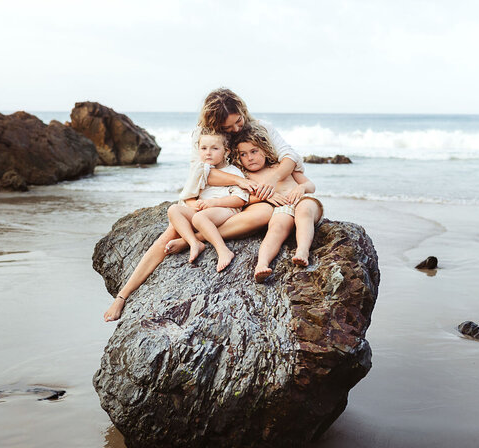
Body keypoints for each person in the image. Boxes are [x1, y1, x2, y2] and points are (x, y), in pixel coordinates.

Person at [103, 88, 305, 321]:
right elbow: (200, 173)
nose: (236, 129)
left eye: (238, 121)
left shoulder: (260, 127)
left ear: (242, 110)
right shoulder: (207, 137)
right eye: (228, 128)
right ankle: (123, 296)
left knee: (264, 213)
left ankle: (193, 240)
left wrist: (270, 183)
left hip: (242, 198)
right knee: (168, 234)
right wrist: (238, 183)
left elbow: (291, 156)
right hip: (215, 196)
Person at [231, 125, 323, 282]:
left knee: (303, 212)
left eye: (254, 151)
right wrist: (265, 197)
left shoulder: (282, 166)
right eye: (243, 154)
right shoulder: (247, 178)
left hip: (303, 201)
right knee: (276, 227)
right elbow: (244, 200)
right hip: (282, 208)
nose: (250, 158)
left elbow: (311, 186)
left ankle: (302, 251)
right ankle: (262, 264)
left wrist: (301, 188)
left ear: (265, 151)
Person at [167, 129, 248, 272]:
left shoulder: (233, 172)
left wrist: (214, 203)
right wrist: (195, 205)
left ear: (226, 152)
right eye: (203, 148)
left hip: (225, 210)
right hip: (204, 212)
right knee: (173, 209)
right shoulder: (202, 171)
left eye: (214, 148)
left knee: (199, 218)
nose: (208, 153)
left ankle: (223, 250)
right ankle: (193, 242)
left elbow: (240, 200)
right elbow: (188, 197)